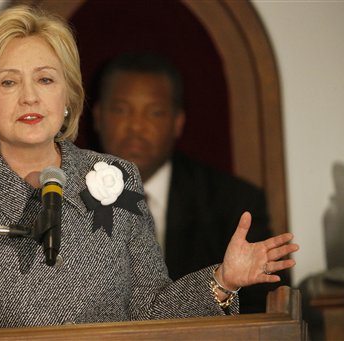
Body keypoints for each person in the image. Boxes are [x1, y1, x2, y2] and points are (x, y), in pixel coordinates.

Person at [0, 5, 298, 333]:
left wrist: (223, 280)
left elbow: (150, 310)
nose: (29, 98)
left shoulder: (116, 178)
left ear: (67, 96)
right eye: (8, 82)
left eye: (45, 80)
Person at [91, 52, 285, 313]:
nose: (136, 126)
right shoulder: (65, 194)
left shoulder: (234, 203)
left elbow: (264, 310)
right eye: (121, 110)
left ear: (178, 122)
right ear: (98, 116)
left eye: (155, 113)